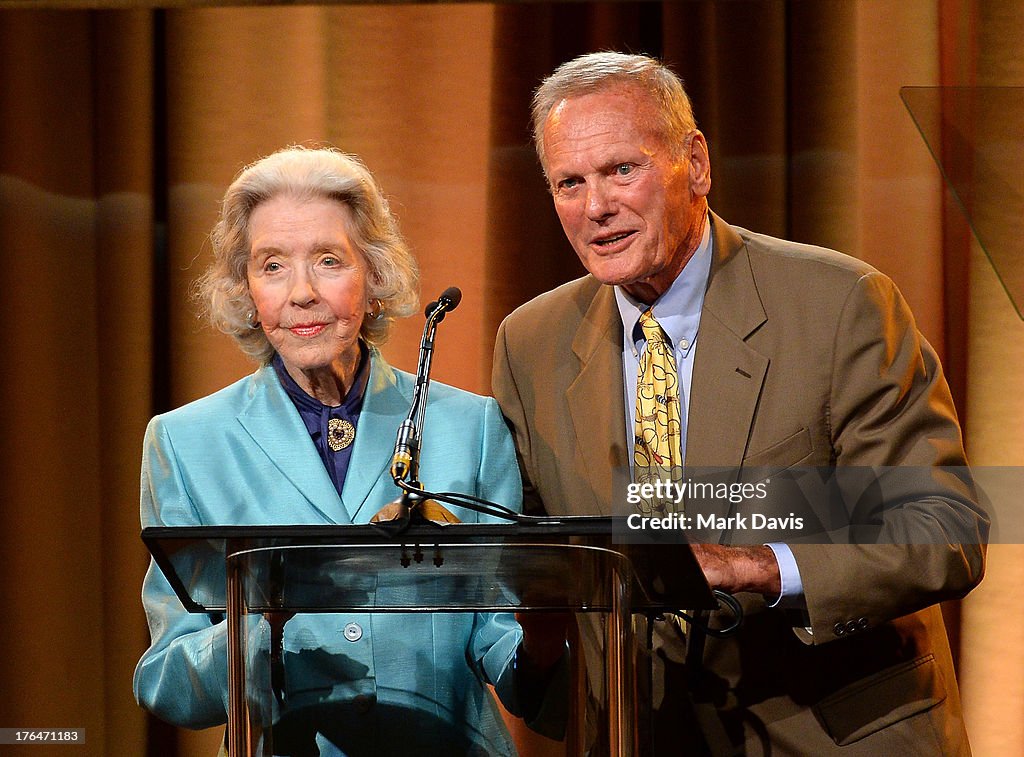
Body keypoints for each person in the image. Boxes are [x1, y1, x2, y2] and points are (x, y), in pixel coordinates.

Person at [492, 52, 988, 755]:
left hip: (832, 732)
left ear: (694, 163)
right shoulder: (530, 342)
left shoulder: (840, 304)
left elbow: (942, 526)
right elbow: (542, 567)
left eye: (621, 170)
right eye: (569, 182)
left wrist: (757, 562)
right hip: (649, 734)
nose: (595, 206)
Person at [134, 146, 559, 755]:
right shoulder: (184, 442)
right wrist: (255, 627)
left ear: (376, 277)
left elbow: (503, 647)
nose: (300, 292)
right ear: (247, 290)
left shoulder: (473, 427)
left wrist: (543, 641)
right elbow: (168, 682)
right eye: (272, 266)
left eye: (328, 261)